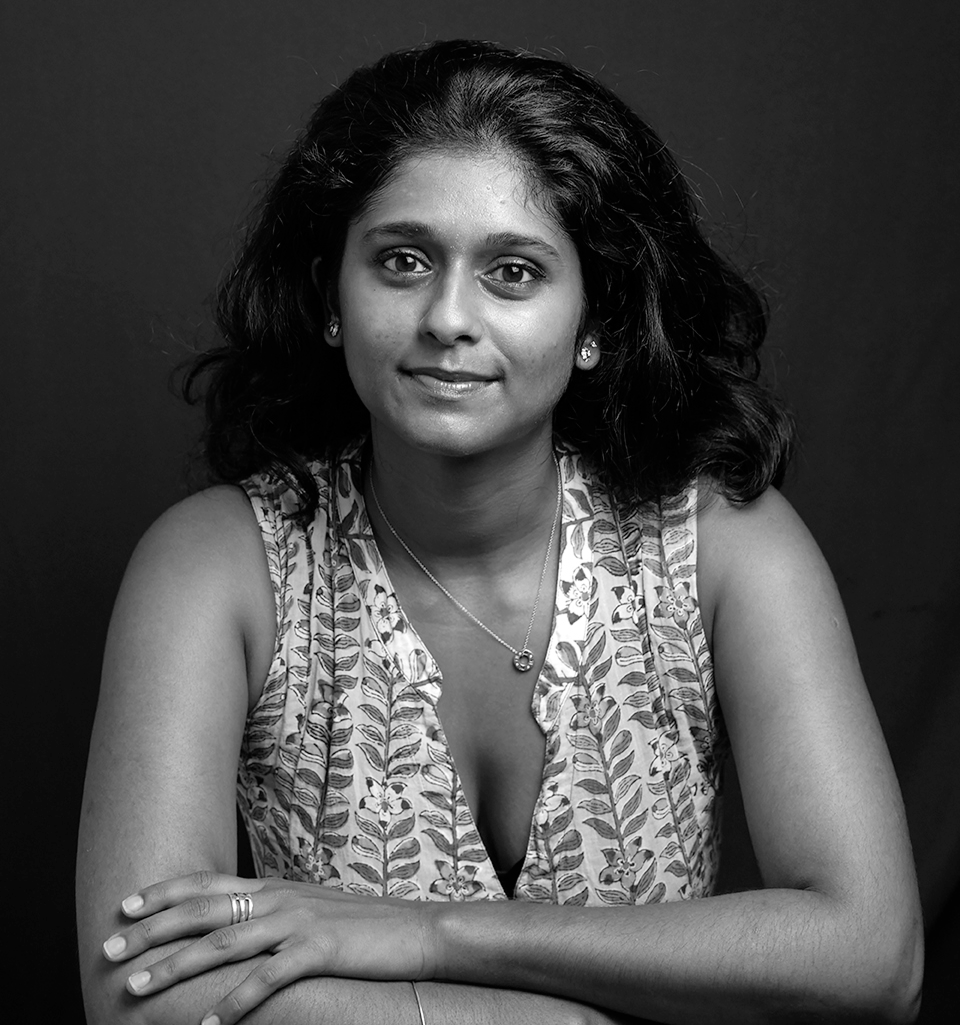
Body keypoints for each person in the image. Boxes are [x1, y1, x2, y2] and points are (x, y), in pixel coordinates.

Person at [76, 39, 922, 1025]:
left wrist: (430, 934)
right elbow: (140, 995)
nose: (448, 317)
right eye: (402, 260)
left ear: (594, 318)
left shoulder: (724, 546)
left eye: (513, 272)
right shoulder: (217, 565)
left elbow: (876, 957)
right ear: (330, 295)